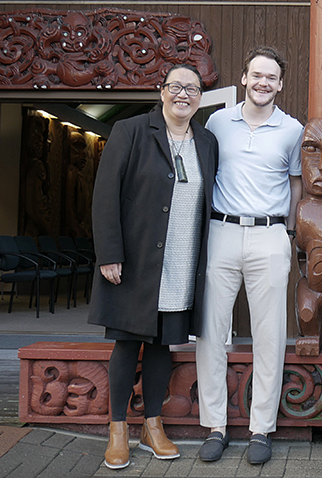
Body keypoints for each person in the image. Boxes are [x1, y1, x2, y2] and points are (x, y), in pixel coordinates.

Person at [88, 64, 218, 470]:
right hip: (137, 257)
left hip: (182, 255)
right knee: (128, 342)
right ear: (162, 91)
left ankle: (153, 425)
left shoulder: (207, 141)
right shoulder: (131, 131)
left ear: (200, 97)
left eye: (192, 89)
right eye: (176, 87)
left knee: (165, 342)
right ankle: (117, 430)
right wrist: (109, 252)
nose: (184, 95)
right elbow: (105, 193)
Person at [195, 46, 304, 465]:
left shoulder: (293, 130)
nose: (262, 83)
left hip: (270, 234)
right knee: (211, 332)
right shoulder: (219, 121)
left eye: (271, 77)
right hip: (221, 231)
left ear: (280, 84)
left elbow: (296, 185)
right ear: (244, 78)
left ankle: (261, 429)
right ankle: (215, 426)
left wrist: (288, 231)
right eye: (256, 75)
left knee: (270, 335)